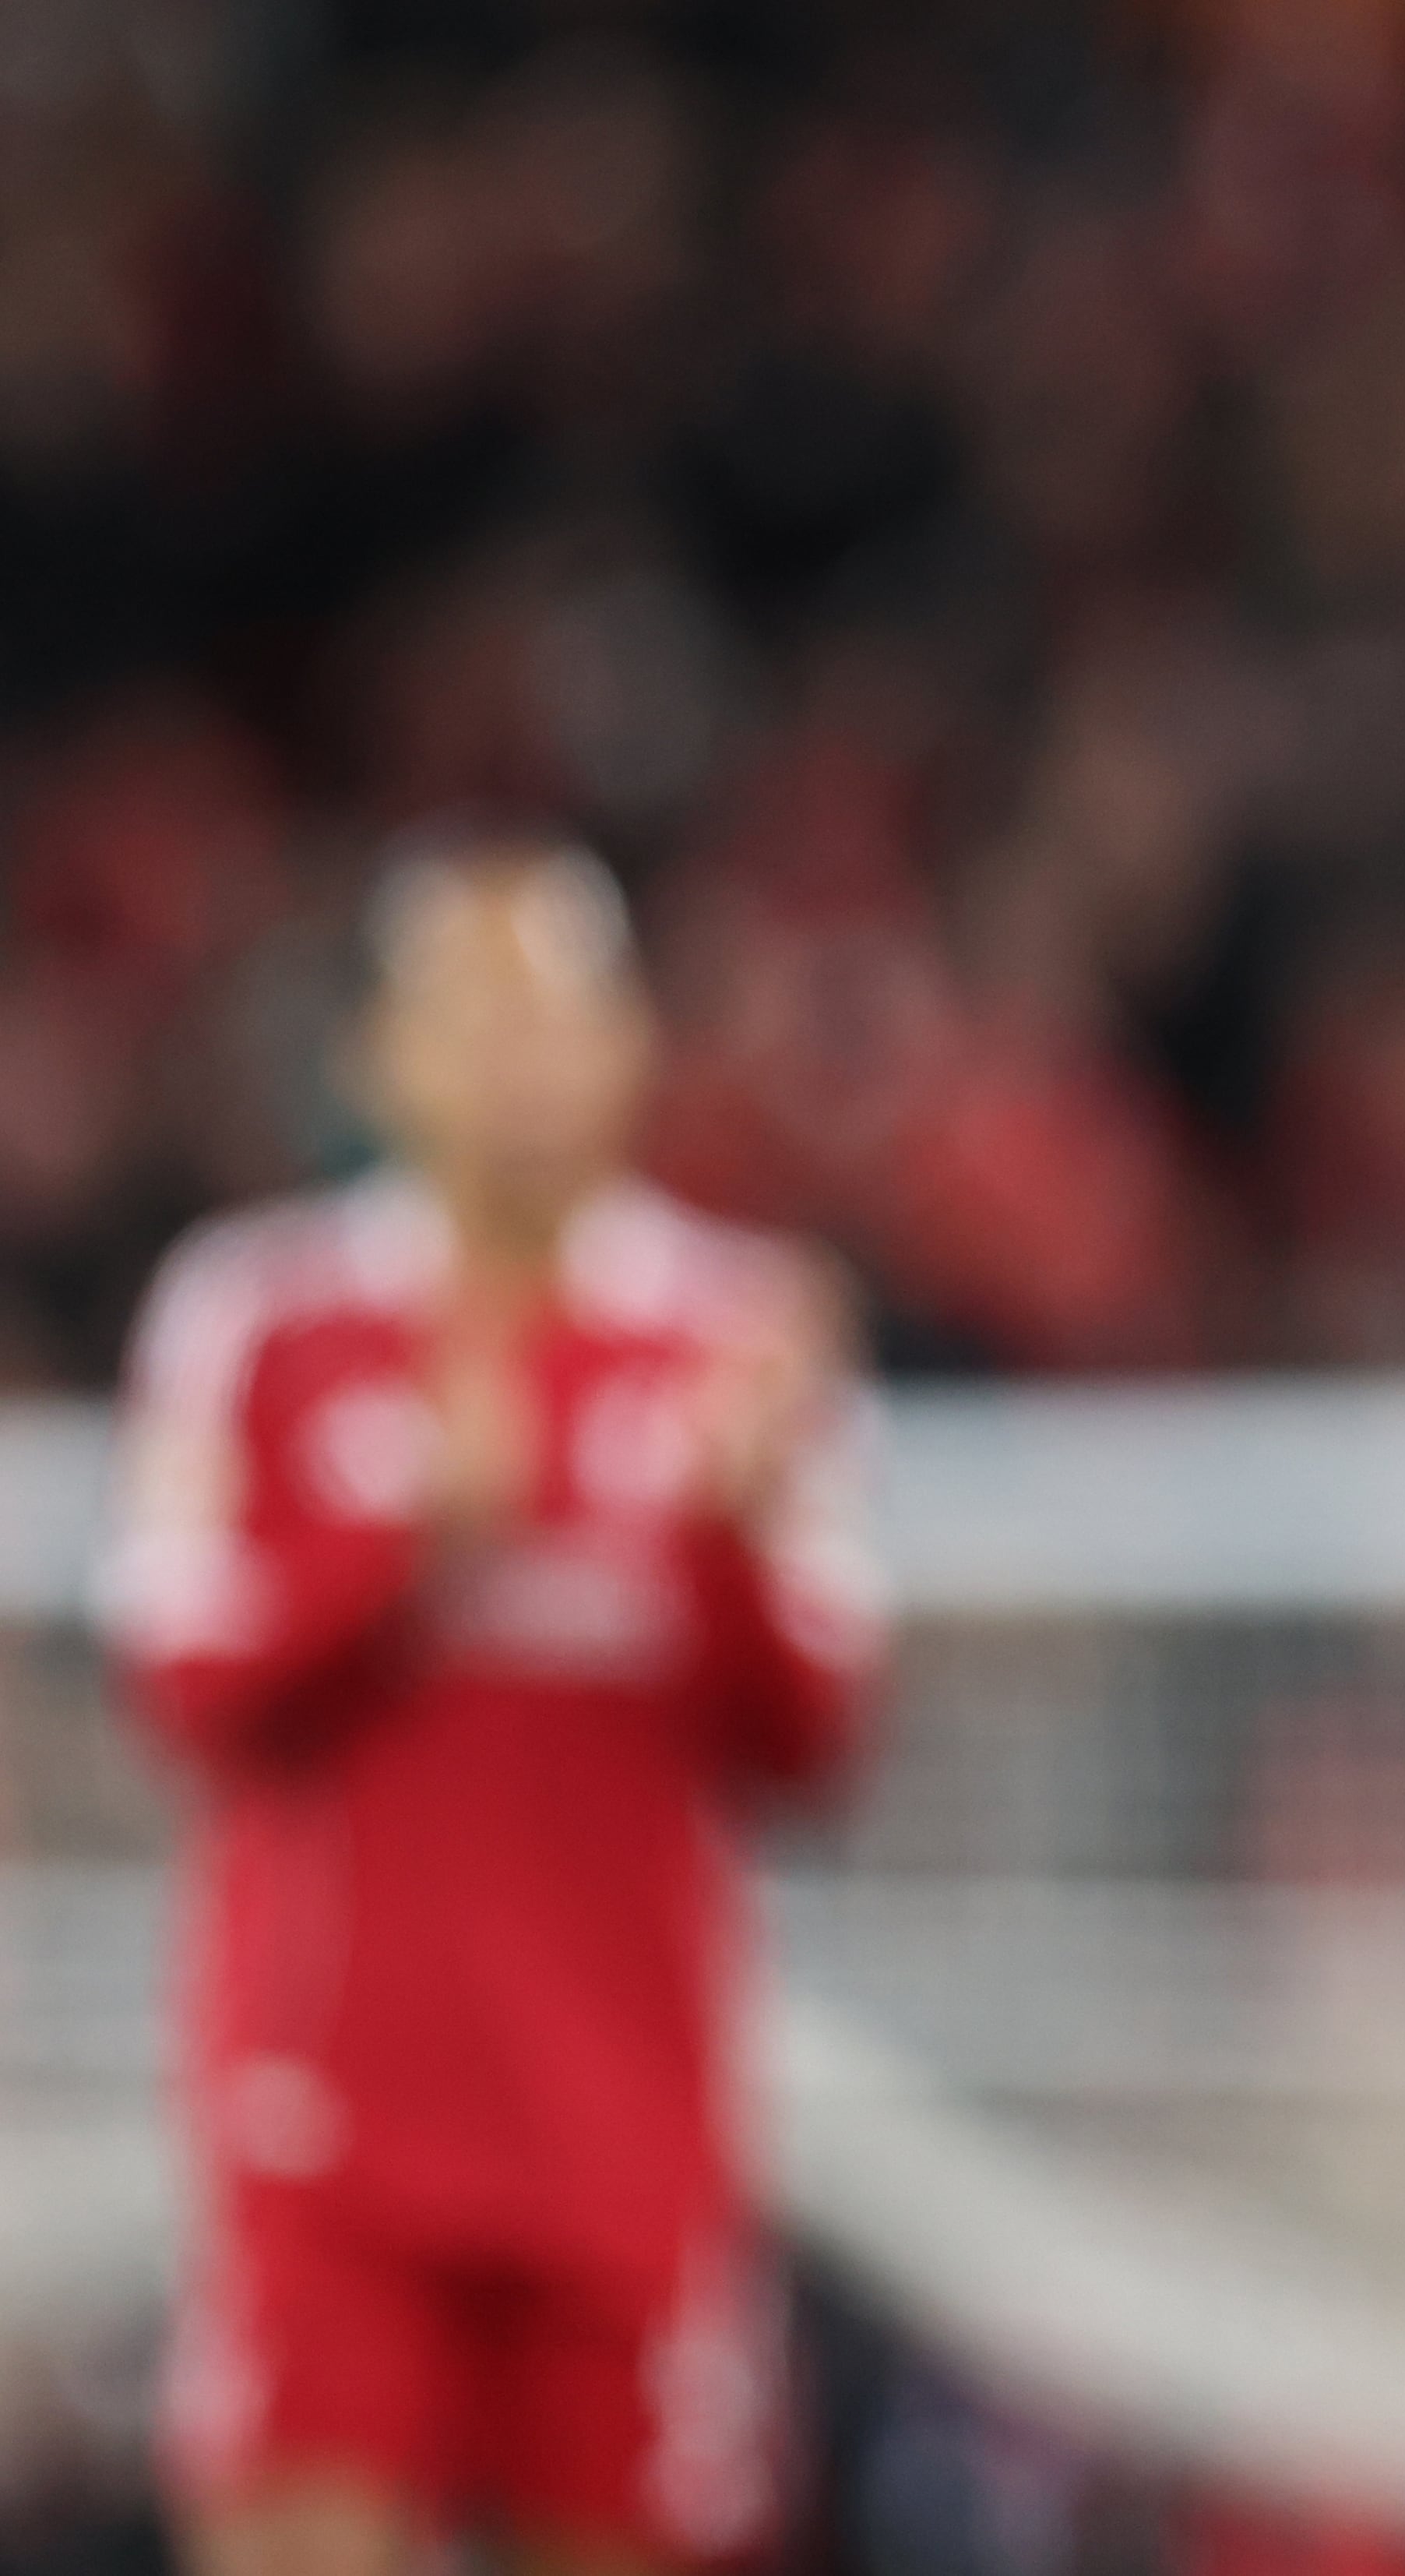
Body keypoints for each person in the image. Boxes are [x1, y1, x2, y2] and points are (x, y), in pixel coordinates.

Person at [101, 833, 883, 2576]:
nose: (522, 1066)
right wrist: (405, 1538)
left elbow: (820, 1743)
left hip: (624, 2135)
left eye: (560, 1021)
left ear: (630, 1051)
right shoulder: (255, 1318)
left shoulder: (736, 1334)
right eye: (475, 1019)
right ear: (381, 1058)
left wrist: (728, 1543)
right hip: (329, 2132)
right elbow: (179, 1688)